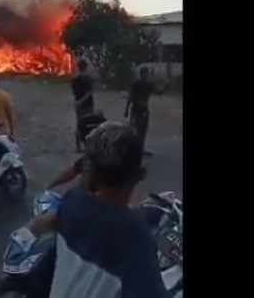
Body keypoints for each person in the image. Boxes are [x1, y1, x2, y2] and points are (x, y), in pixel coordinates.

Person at [29, 121, 168, 298]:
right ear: (140, 174)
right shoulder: (136, 240)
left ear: (89, 172)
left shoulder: (73, 200)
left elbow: (103, 222)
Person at [124, 67, 156, 152]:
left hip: (144, 110)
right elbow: (130, 97)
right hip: (136, 110)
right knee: (136, 130)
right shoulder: (136, 85)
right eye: (144, 74)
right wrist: (126, 110)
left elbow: (158, 92)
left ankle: (141, 149)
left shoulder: (149, 85)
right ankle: (134, 148)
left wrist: (166, 86)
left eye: (146, 74)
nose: (145, 75)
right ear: (141, 74)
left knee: (143, 130)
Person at [71, 60, 95, 152]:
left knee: (79, 124)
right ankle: (88, 145)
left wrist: (78, 102)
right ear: (85, 67)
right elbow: (89, 93)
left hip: (78, 104)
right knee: (89, 124)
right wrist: (82, 101)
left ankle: (78, 147)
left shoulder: (74, 79)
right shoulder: (87, 79)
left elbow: (74, 93)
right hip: (87, 104)